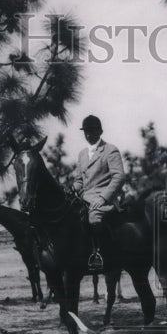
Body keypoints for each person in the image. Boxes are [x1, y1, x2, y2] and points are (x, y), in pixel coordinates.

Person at [72, 115, 124, 272]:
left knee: (94, 217)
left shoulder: (110, 150)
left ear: (100, 131)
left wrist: (103, 198)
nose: (88, 135)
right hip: (83, 198)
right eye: (86, 131)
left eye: (92, 131)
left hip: (103, 199)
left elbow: (119, 176)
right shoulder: (82, 154)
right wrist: (73, 188)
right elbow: (79, 179)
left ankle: (99, 254)